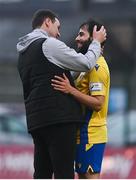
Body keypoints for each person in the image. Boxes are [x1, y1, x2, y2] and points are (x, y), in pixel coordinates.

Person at [17, 9, 106, 179]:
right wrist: (96, 42)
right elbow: (86, 63)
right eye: (58, 27)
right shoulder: (49, 44)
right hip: (59, 120)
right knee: (63, 173)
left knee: (41, 173)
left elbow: (48, 76)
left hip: (37, 121)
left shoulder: (23, 52)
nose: (58, 34)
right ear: (47, 22)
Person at [51, 19, 110, 179]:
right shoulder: (86, 66)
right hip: (82, 132)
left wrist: (70, 90)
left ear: (93, 39)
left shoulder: (97, 67)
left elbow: (98, 103)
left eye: (81, 34)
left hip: (91, 133)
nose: (77, 38)